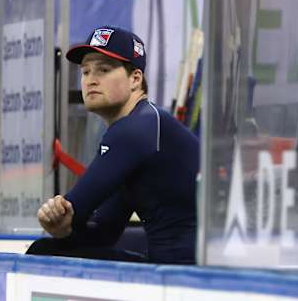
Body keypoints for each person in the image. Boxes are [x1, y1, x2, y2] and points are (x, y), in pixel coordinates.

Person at [26, 26, 200, 264]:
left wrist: (60, 217)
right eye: (85, 71)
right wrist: (63, 229)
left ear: (135, 79)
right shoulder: (143, 126)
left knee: (43, 251)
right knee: (49, 247)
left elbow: (73, 210)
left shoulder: (136, 129)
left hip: (187, 274)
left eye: (104, 70)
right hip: (178, 266)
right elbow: (102, 233)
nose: (91, 80)